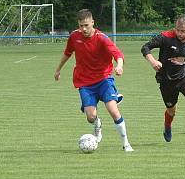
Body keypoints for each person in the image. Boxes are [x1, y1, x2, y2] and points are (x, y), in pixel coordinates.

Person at [54, 9, 133, 152]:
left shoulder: (102, 38)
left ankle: (126, 144)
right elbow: (67, 53)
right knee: (90, 117)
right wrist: (58, 69)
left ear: (92, 23)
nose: (83, 29)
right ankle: (97, 124)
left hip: (104, 79)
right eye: (81, 25)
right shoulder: (74, 36)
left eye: (86, 25)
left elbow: (118, 54)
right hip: (84, 83)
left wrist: (119, 66)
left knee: (113, 111)